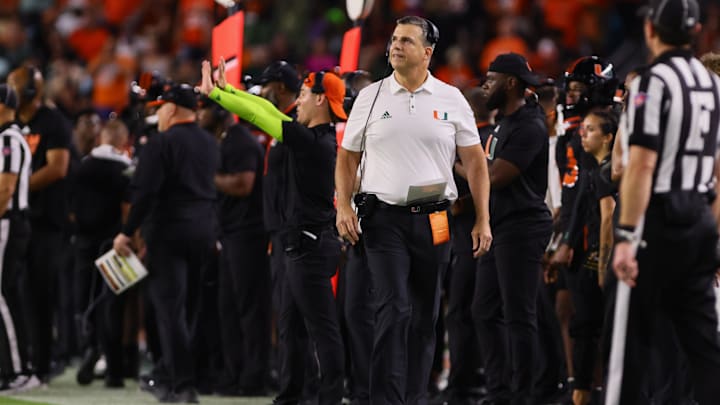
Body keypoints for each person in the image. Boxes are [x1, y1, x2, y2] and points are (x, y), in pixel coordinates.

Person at [336, 16, 492, 404]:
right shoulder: (370, 97)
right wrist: (343, 205)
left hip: (438, 218)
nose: (395, 45)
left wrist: (484, 218)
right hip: (383, 219)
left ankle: (415, 397)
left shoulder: (452, 98)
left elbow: (475, 162)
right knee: (393, 308)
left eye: (406, 40)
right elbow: (346, 158)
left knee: (426, 315)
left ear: (428, 52)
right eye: (393, 39)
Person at [200, 58, 346, 405]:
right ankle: (291, 396)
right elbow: (264, 107)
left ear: (321, 100)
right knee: (292, 325)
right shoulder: (312, 136)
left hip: (310, 245)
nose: (300, 101)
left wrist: (219, 96)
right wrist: (226, 90)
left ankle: (329, 398)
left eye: (307, 95)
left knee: (321, 329)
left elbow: (258, 115)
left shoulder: (313, 141)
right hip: (302, 244)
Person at [611, 1, 720, 404]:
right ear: (693, 32)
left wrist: (625, 235)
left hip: (657, 219)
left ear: (651, 30)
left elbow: (641, 165)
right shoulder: (712, 83)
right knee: (703, 346)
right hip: (700, 216)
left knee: (629, 342)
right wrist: (710, 230)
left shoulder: (652, 82)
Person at [113, 82, 219, 403]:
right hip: (204, 232)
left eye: (160, 108)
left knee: (170, 311)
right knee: (194, 311)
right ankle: (190, 376)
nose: (157, 114)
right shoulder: (211, 143)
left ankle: (181, 384)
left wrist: (127, 231)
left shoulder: (160, 143)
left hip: (169, 234)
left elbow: (144, 194)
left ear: (171, 109)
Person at [471, 53, 552, 405]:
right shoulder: (505, 122)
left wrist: (460, 164)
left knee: (519, 315)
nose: (485, 85)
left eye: (491, 79)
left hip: (523, 228)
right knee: (484, 309)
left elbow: (494, 177)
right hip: (501, 226)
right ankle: (501, 392)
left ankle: (524, 395)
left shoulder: (528, 125)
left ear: (511, 83)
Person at [7, 65, 72, 383]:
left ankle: (44, 361)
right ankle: (24, 356)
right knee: (16, 291)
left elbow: (58, 167)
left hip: (46, 220)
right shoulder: (13, 124)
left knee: (41, 291)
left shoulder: (53, 121)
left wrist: (17, 185)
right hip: (22, 216)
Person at [210, 95, 271, 396]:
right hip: (232, 234)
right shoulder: (228, 140)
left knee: (249, 309)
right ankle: (235, 375)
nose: (197, 117)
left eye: (202, 112)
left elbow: (243, 184)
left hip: (247, 236)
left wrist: (210, 177)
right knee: (230, 308)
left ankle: (253, 377)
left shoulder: (241, 142)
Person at [72, 119, 132, 388]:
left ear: (100, 138)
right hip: (115, 244)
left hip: (84, 242)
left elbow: (69, 206)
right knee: (113, 305)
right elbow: (127, 208)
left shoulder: (82, 166)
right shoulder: (125, 170)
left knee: (87, 302)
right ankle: (114, 371)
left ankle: (89, 346)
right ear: (122, 141)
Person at [0, 84, 39, 393]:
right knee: (8, 294)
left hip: (8, 223)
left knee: (3, 294)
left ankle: (18, 371)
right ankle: (14, 367)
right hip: (11, 223)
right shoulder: (10, 137)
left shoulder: (8, 138)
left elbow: (6, 188)